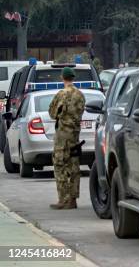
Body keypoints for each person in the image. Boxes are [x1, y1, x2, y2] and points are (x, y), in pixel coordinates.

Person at [48, 67, 85, 210]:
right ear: (73, 78)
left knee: (59, 164)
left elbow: (52, 113)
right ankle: (73, 199)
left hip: (63, 135)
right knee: (74, 165)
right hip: (75, 134)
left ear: (62, 78)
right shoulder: (80, 94)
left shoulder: (62, 94)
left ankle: (63, 199)